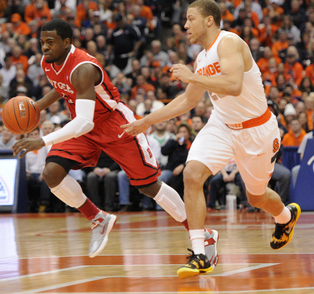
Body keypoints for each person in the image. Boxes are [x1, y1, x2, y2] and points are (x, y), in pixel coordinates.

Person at [11, 19, 218, 263]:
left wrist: (42, 141)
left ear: (67, 43)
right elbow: (63, 87)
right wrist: (36, 106)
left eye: (50, 42)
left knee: (149, 186)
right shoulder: (48, 62)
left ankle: (202, 235)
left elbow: (84, 118)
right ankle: (97, 217)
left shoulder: (84, 68)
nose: (44, 47)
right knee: (52, 173)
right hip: (84, 125)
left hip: (114, 124)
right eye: (42, 42)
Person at [122, 0, 301, 279]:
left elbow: (233, 84)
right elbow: (188, 100)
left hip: (256, 130)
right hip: (222, 125)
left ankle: (285, 217)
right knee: (192, 174)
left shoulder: (228, 42)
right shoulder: (202, 58)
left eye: (190, 18)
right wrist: (146, 121)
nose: (184, 25)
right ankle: (201, 253)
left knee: (256, 197)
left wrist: (193, 76)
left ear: (208, 20)